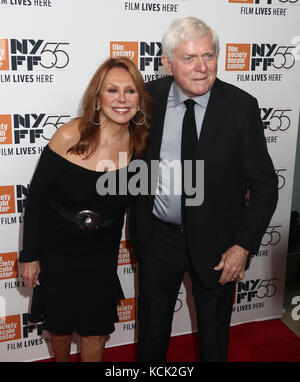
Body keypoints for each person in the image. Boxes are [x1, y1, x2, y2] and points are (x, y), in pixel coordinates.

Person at [130, 17, 278, 362]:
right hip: (158, 238)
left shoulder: (241, 107)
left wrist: (243, 245)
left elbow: (265, 184)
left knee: (213, 337)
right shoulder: (147, 98)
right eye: (189, 58)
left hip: (219, 245)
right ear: (168, 63)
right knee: (151, 332)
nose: (201, 68)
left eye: (209, 56)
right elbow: (127, 163)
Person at [20, 57, 151, 362]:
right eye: (112, 90)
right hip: (57, 250)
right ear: (97, 97)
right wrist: (29, 255)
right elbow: (37, 196)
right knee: (61, 328)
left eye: (130, 91)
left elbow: (143, 205)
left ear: (139, 100)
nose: (121, 99)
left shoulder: (141, 149)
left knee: (96, 332)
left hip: (100, 256)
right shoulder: (70, 135)